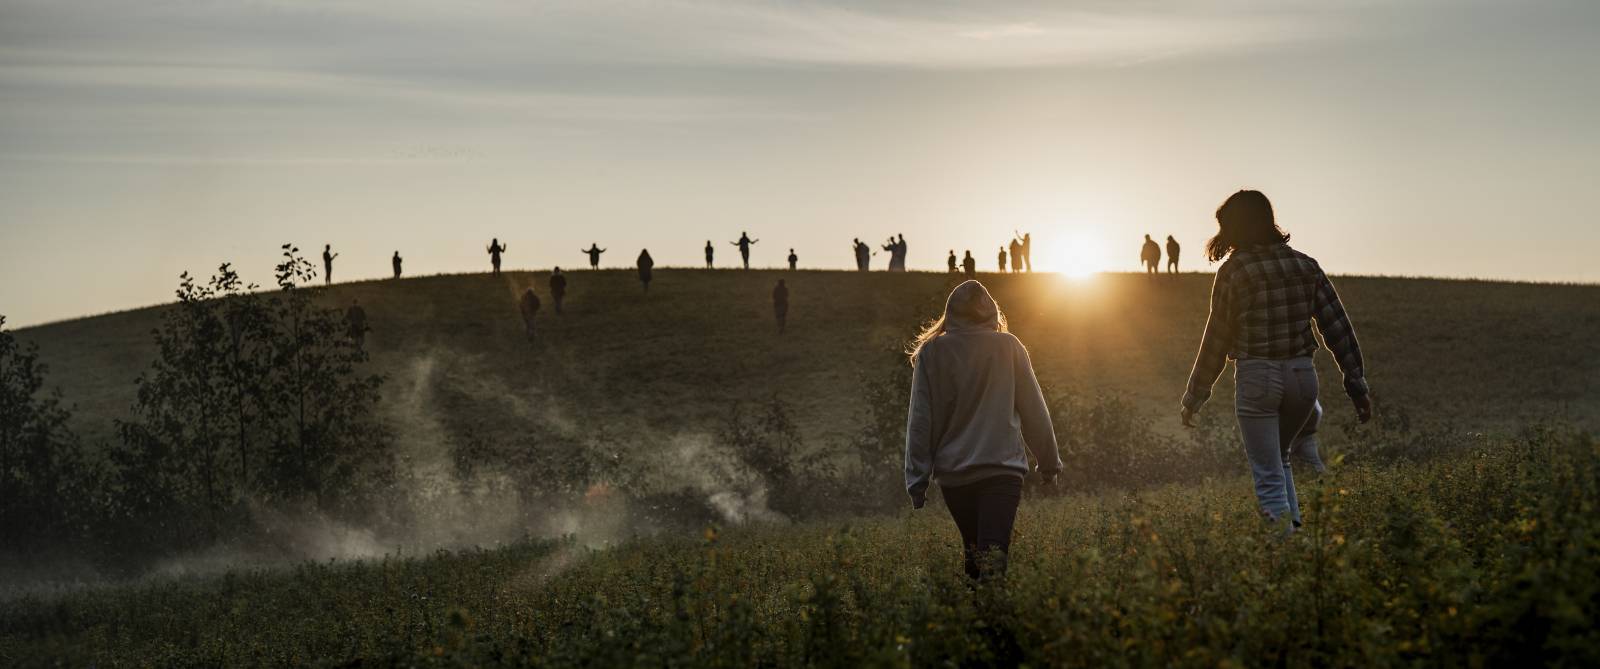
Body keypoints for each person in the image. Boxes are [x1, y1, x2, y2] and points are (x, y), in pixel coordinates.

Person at [1180, 190, 1372, 532]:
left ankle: (1284, 551)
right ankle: (1294, 533)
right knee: (1279, 459)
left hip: (1258, 378)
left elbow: (1217, 338)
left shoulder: (1234, 271)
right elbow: (1337, 326)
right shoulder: (1305, 265)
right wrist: (1356, 383)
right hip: (1302, 378)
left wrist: (1195, 396)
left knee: (1268, 476)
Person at [905, 280, 1061, 581]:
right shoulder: (1009, 346)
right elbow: (1034, 410)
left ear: (951, 312)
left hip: (954, 476)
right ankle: (992, 623)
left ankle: (978, 620)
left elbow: (920, 421)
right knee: (991, 559)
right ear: (990, 311)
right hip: (1001, 471)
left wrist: (917, 479)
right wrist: (1049, 462)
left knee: (977, 556)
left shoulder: (931, 352)